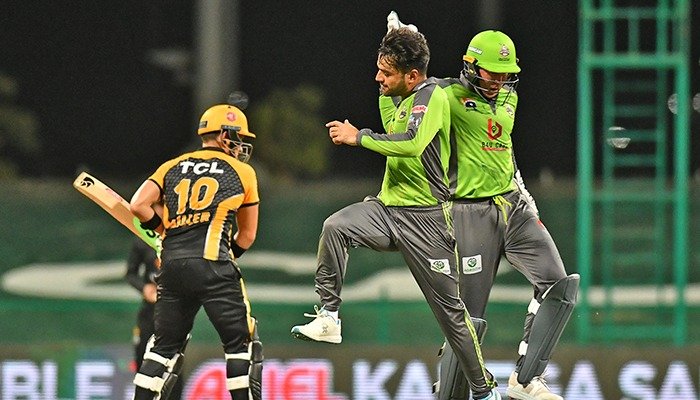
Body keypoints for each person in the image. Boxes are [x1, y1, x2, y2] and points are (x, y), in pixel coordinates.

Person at [290, 27, 501, 400]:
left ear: (413, 75)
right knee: (336, 227)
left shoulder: (432, 95)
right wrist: (398, 38)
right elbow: (390, 121)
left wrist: (358, 137)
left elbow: (413, 143)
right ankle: (329, 316)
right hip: (388, 211)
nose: (377, 78)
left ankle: (484, 391)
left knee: (452, 316)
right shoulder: (404, 97)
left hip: (428, 221)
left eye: (386, 73)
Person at [385, 13, 579, 400]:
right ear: (470, 66)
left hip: (514, 206)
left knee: (560, 286)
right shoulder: (440, 95)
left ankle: (525, 381)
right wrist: (402, 48)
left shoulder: (508, 95)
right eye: (491, 73)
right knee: (467, 323)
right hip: (468, 212)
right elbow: (400, 109)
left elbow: (501, 150)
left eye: (505, 74)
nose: (498, 82)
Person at [129, 103, 263, 400]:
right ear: (225, 134)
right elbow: (248, 235)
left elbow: (137, 205)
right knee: (242, 346)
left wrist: (162, 229)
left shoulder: (171, 166)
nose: (241, 145)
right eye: (239, 137)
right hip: (215, 263)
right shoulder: (242, 171)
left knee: (163, 350)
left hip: (173, 266)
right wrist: (231, 255)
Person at [124, 237, 159, 370]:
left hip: (173, 311)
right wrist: (144, 288)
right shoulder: (144, 239)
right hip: (149, 310)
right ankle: (142, 390)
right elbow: (130, 273)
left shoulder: (180, 235)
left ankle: (173, 391)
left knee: (173, 361)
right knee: (142, 356)